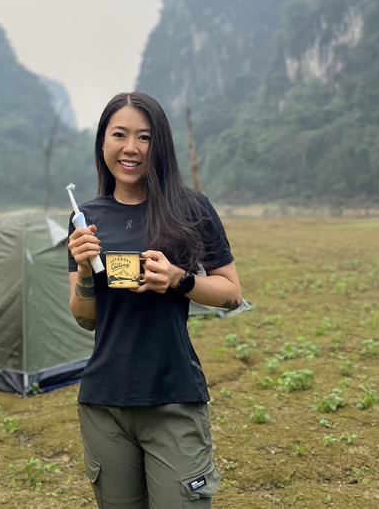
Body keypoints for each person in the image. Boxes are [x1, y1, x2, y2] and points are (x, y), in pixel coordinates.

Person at [68, 91, 242, 509]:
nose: (131, 148)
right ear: (103, 143)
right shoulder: (85, 218)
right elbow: (85, 317)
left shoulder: (189, 207)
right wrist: (86, 269)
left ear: (159, 144)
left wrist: (179, 280)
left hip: (173, 397)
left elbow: (231, 293)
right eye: (119, 135)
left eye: (144, 137)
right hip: (104, 402)